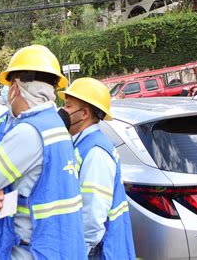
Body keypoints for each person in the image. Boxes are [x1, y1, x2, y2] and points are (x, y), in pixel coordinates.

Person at [0, 45, 87, 260]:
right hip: (60, 249)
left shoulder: (28, 132)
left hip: (32, 251)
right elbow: (38, 186)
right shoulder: (57, 127)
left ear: (15, 87)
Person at [57, 78, 135, 260]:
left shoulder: (96, 152)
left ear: (84, 113)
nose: (62, 112)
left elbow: (92, 216)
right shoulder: (80, 144)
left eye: (68, 106)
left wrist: (76, 253)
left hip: (97, 251)